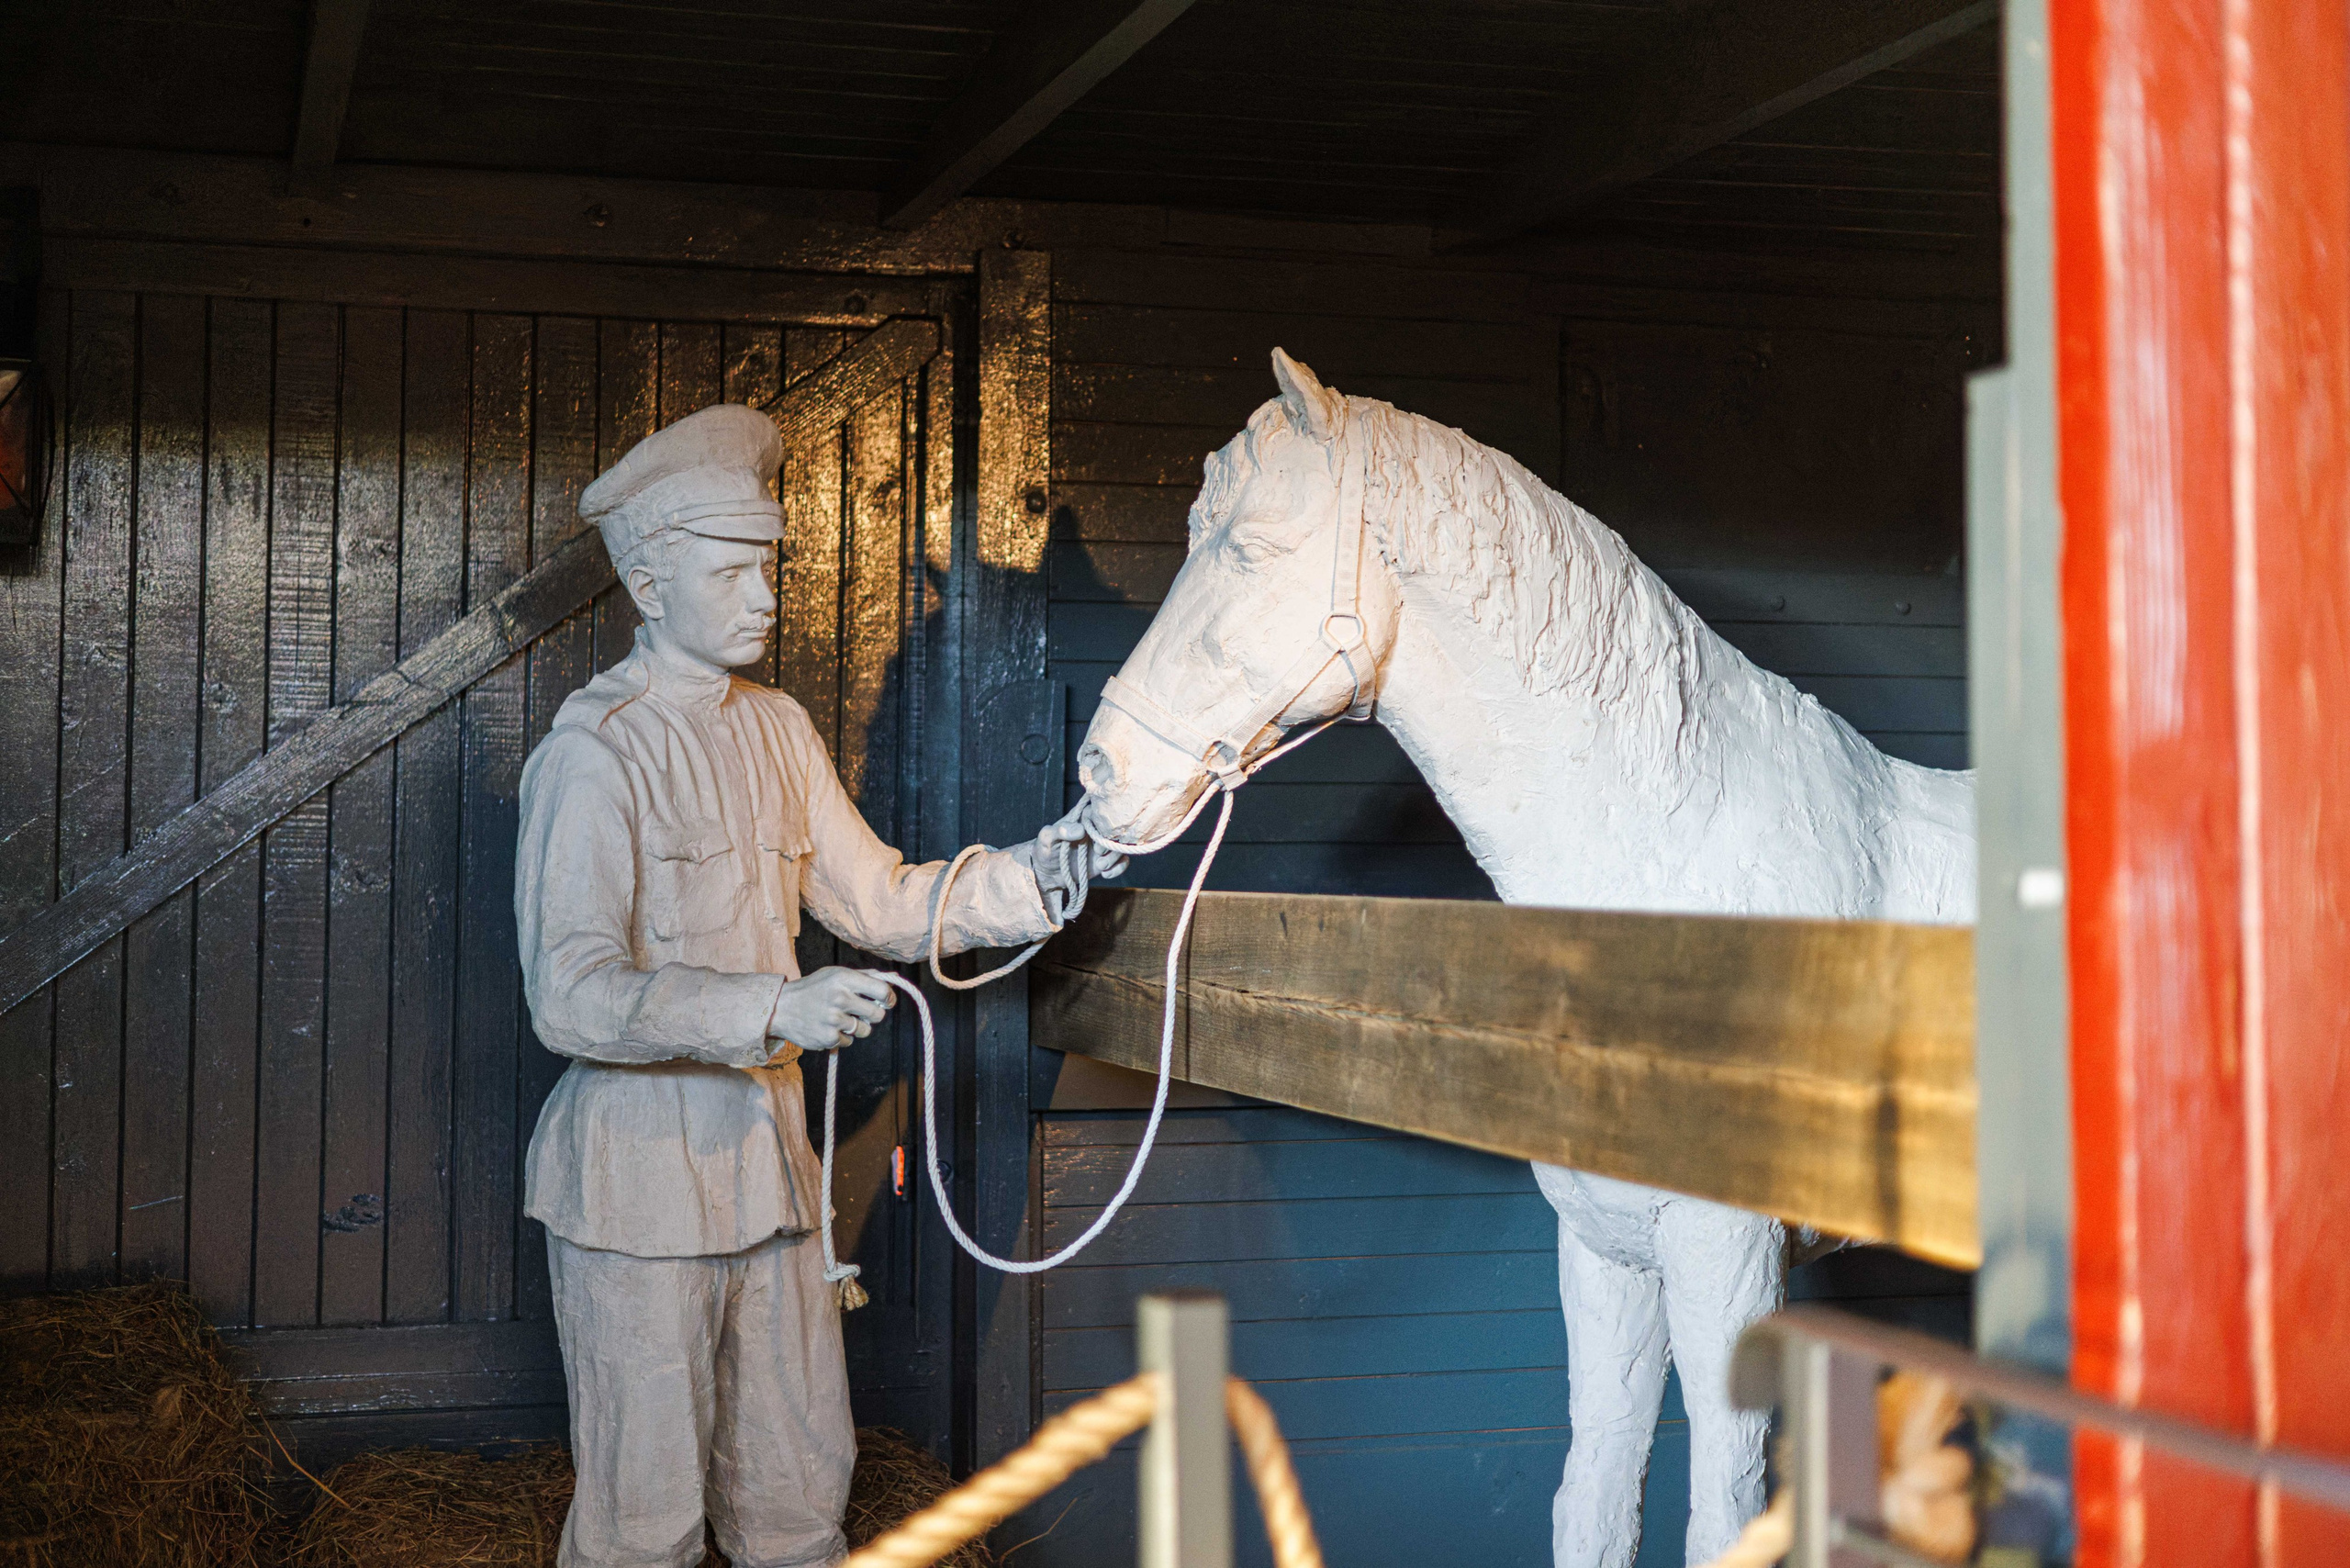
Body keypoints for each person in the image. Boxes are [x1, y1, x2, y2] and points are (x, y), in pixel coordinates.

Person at [515, 404, 1120, 1568]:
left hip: (771, 1180)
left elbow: (884, 902)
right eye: (732, 568)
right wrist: (769, 1009)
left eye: (769, 567)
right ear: (647, 582)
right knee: (644, 1524)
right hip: (635, 1191)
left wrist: (1041, 878)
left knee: (796, 1497)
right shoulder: (594, 749)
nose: (765, 595)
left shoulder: (782, 732)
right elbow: (571, 994)